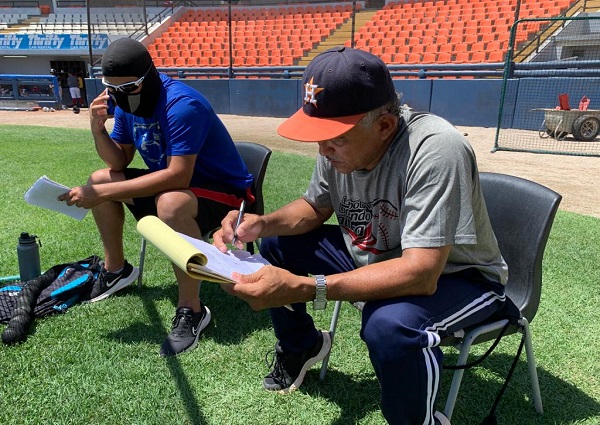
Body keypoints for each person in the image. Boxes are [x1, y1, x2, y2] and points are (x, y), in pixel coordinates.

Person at [213, 47, 508, 425]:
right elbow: (315, 207)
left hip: (461, 276)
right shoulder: (340, 141)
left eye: (335, 138)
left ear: (384, 126)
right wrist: (262, 224)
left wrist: (308, 287)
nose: (322, 149)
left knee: (389, 326)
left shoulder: (436, 148)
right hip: (380, 255)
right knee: (276, 244)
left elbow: (421, 272)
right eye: (319, 136)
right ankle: (303, 346)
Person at [59, 38, 255, 357]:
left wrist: (101, 193)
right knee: (100, 178)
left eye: (129, 87)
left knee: (168, 202)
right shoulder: (125, 102)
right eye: (113, 89)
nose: (120, 96)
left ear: (148, 76)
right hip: (178, 189)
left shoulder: (180, 104)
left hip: (226, 196)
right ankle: (116, 270)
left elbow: (179, 175)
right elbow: (118, 162)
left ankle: (192, 309)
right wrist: (98, 130)